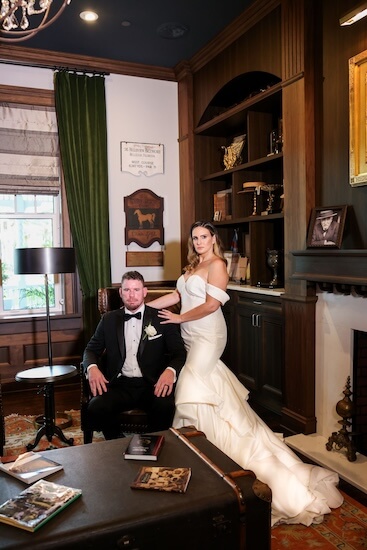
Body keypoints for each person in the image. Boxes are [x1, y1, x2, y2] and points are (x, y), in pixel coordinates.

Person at [148, 220, 343, 527]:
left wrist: (178, 318)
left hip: (209, 336)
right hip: (189, 333)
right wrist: (142, 306)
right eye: (195, 237)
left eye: (204, 236)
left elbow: (212, 306)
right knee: (211, 391)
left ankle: (209, 458)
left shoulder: (218, 265)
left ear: (214, 238)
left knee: (190, 386)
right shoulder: (191, 266)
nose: (199, 241)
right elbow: (176, 295)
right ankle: (204, 458)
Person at [83, 271, 186, 440]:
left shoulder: (161, 318)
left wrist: (170, 371)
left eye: (136, 290)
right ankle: (118, 444)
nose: (132, 295)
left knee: (165, 406)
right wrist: (92, 368)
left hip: (151, 384)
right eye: (127, 290)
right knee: (96, 407)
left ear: (144, 292)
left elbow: (179, 353)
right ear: (120, 293)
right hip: (119, 384)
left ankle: (150, 446)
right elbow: (90, 350)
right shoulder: (108, 319)